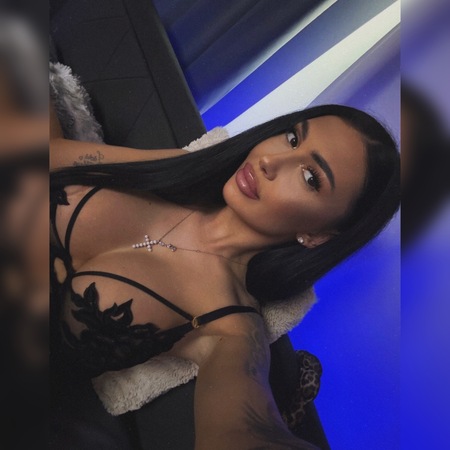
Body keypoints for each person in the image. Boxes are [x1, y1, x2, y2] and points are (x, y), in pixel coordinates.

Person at [50, 103, 400, 449]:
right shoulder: (179, 169)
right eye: (292, 138)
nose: (270, 160)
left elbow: (241, 431)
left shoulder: (231, 329)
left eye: (310, 177)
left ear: (319, 235)